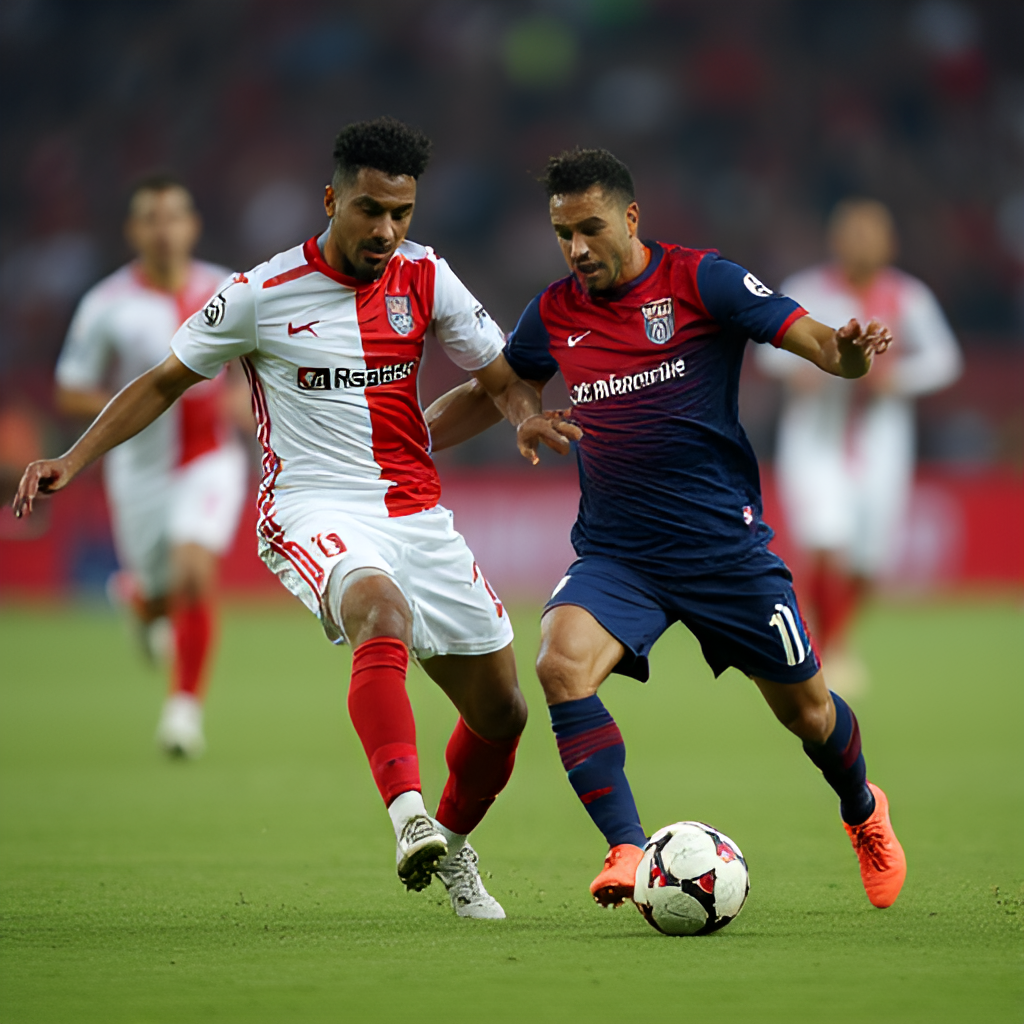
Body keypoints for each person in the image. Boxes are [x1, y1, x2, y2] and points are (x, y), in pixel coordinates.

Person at [15, 118, 577, 920]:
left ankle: (449, 843)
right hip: (310, 508)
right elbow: (160, 382)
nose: (386, 229)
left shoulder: (427, 277)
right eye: (369, 209)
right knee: (380, 611)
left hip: (416, 511)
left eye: (402, 213)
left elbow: (500, 375)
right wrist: (73, 457)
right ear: (331, 199)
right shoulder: (259, 294)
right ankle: (406, 812)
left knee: (503, 714)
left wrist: (523, 413)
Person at [426, 149, 906, 912]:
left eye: (590, 228)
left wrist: (847, 355)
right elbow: (501, 385)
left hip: (726, 553)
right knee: (558, 665)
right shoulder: (554, 311)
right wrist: (408, 438)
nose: (577, 248)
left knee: (810, 713)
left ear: (631, 217)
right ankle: (624, 846)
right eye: (562, 233)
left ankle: (862, 811)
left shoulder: (702, 279)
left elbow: (816, 341)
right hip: (622, 555)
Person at [54, 175, 250, 758]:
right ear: (134, 230)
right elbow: (70, 391)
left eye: (175, 217)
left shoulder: (228, 289)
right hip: (138, 471)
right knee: (164, 590)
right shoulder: (107, 305)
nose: (164, 230)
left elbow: (252, 372)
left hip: (212, 461)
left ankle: (182, 712)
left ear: (193, 225)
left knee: (195, 570)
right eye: (151, 219)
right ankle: (139, 600)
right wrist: (146, 399)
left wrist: (238, 401)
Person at [756, 199, 962, 693]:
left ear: (890, 243)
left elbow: (945, 360)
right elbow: (767, 350)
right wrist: (798, 367)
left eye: (872, 235)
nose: (862, 244)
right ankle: (826, 653)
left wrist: (899, 379)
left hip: (881, 443)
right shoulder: (807, 290)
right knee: (827, 539)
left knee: (867, 560)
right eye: (854, 234)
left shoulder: (908, 297)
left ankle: (836, 640)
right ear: (836, 240)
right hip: (815, 438)